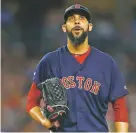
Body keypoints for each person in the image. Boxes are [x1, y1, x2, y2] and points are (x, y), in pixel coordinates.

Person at [26, 4, 129, 132]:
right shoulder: (49, 62)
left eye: (82, 18)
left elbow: (120, 106)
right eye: (71, 19)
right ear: (64, 28)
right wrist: (44, 121)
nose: (76, 21)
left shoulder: (106, 63)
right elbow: (31, 102)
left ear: (89, 26)